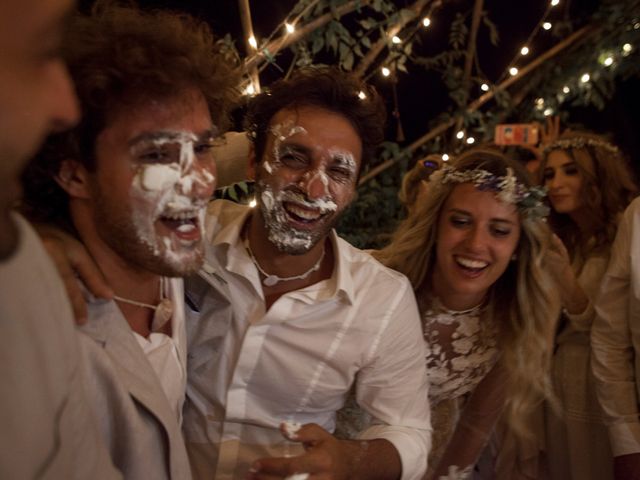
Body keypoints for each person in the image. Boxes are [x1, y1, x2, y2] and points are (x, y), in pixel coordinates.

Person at [20, 3, 237, 478]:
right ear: (73, 173)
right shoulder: (41, 348)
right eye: (157, 154)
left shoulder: (171, 256)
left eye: (202, 148)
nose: (199, 182)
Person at [182, 67, 432, 480]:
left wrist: (350, 460)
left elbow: (412, 434)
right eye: (294, 157)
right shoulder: (191, 234)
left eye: (338, 171)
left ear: (352, 189)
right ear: (252, 161)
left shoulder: (381, 297)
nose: (314, 189)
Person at [374, 147, 559, 479]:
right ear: (435, 226)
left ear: (518, 245)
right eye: (460, 222)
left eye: (499, 230)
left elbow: (475, 423)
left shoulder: (514, 319)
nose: (476, 244)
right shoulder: (377, 283)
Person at [0, 0, 119, 477]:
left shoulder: (27, 264)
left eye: (202, 148)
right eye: (42, 53)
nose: (65, 107)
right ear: (74, 176)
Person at [538, 131, 637, 480]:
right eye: (549, 174)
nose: (556, 183)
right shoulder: (563, 239)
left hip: (602, 385)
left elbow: (611, 330)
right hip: (559, 378)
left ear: (597, 176)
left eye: (570, 171)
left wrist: (564, 277)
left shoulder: (622, 237)